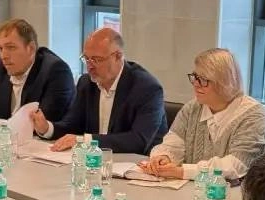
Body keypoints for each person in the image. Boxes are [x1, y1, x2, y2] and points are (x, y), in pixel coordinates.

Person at [139, 48, 265, 181]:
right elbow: (172, 143)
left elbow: (235, 166)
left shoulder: (254, 115)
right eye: (195, 77)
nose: (196, 84)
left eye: (203, 80)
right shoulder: (192, 108)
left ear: (224, 83)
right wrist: (164, 158)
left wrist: (181, 172)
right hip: (198, 189)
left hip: (245, 193)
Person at [33, 27, 166, 155]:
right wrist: (47, 128)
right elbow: (73, 125)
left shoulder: (147, 88)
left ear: (118, 56)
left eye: (96, 60)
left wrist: (86, 141)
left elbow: (138, 141)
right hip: (95, 161)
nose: (89, 66)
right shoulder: (86, 83)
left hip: (139, 164)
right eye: (86, 59)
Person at [0, 18, 74, 133]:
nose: (3, 56)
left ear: (31, 48)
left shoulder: (55, 71)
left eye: (11, 47)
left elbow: (40, 123)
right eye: (0, 48)